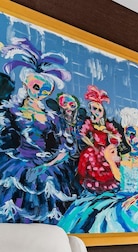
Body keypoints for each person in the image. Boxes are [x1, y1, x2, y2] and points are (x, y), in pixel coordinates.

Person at [0, 38, 76, 224]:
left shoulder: (51, 117)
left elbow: (64, 145)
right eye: (36, 87)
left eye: (46, 90)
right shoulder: (12, 112)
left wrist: (55, 158)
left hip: (47, 167)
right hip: (19, 167)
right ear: (26, 84)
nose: (40, 92)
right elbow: (6, 142)